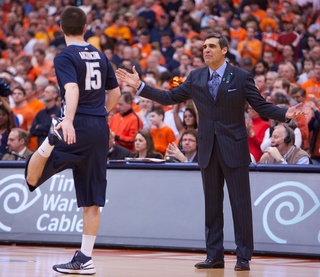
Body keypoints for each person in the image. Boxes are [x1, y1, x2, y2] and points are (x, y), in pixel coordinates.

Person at [115, 33, 304, 271]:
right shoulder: (195, 76)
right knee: (212, 206)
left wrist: (285, 114)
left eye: (212, 46)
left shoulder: (241, 76)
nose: (206, 50)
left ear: (224, 50)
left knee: (241, 204)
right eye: (204, 47)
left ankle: (243, 256)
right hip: (208, 148)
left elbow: (261, 105)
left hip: (234, 148)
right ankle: (214, 255)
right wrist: (140, 86)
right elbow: (169, 97)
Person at [24, 7, 121, 275]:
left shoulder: (65, 55)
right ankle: (85, 258)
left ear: (61, 28)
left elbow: (72, 88)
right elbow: (115, 92)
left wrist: (68, 119)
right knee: (92, 201)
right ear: (86, 27)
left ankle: (49, 141)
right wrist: (101, 114)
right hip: (99, 126)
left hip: (75, 125)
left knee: (32, 178)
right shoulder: (100, 55)